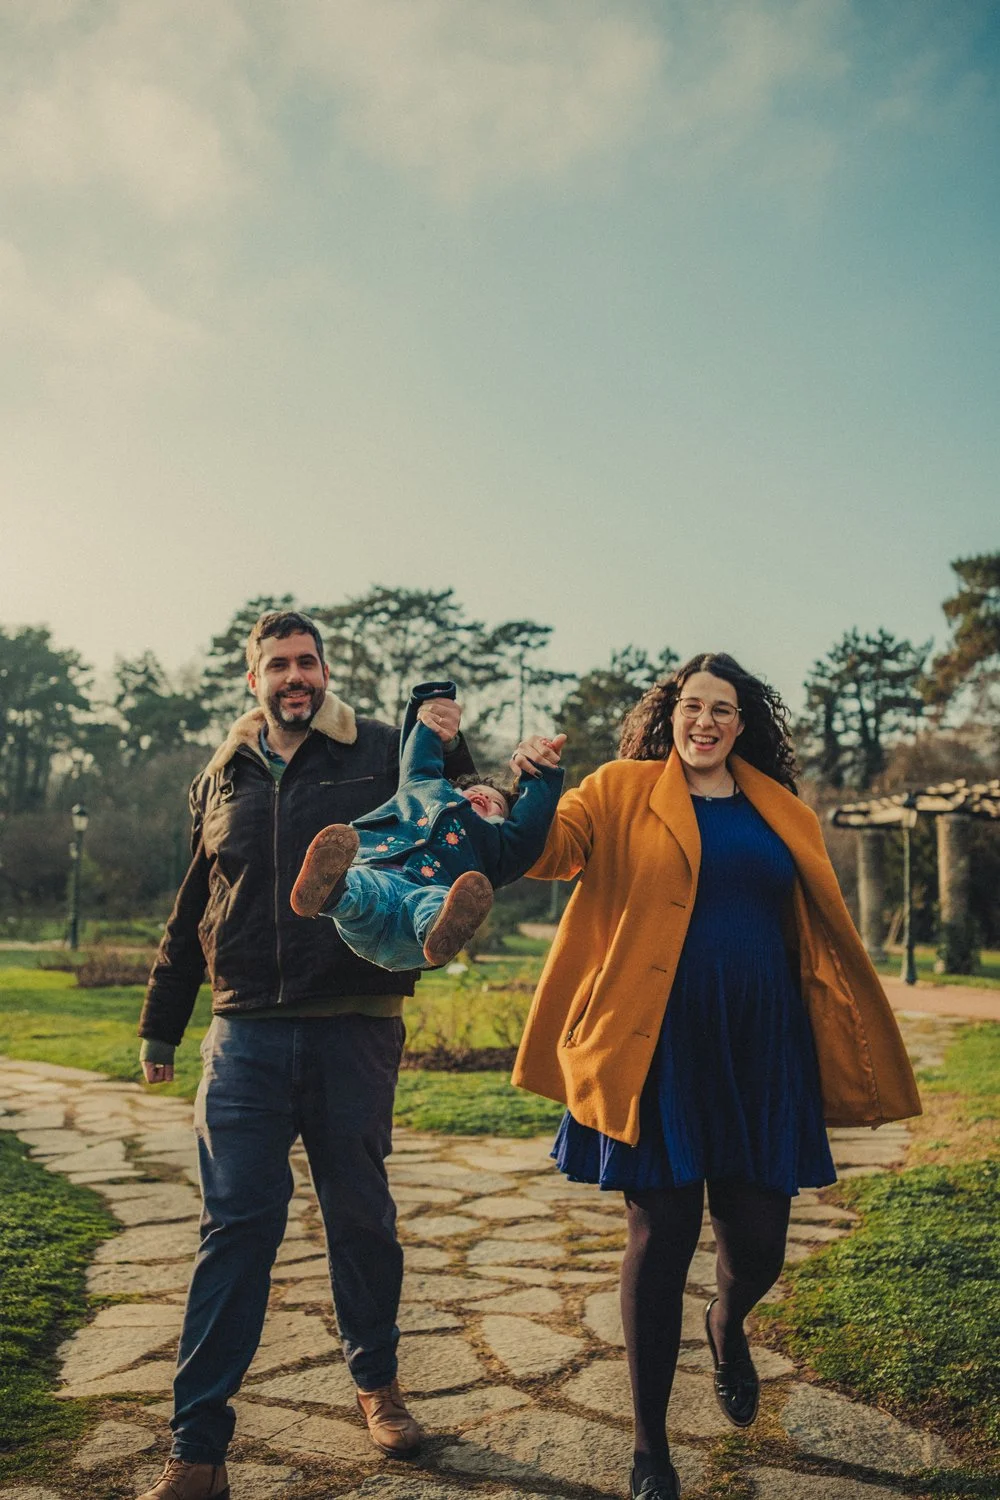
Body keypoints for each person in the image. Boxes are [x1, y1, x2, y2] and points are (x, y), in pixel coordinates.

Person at [508, 653, 921, 1500]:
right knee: (660, 1241)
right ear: (670, 716)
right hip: (658, 1047)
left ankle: (729, 1323)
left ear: (743, 724)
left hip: (763, 1049)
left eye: (722, 710)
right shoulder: (619, 790)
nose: (705, 722)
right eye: (691, 706)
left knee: (759, 1241)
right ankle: (650, 1451)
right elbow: (549, 853)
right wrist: (536, 787)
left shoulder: (780, 809)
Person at [135, 611, 476, 1500]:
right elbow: (192, 907)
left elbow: (443, 805)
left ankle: (377, 1384)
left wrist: (449, 735)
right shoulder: (222, 775)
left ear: (326, 671)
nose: (296, 676)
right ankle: (197, 1445)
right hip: (243, 1032)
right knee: (235, 1230)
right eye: (279, 665)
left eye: (308, 662)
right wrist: (161, 1025)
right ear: (254, 680)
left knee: (359, 1216)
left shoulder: (372, 748)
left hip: (353, 1024)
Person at [290, 679, 566, 969]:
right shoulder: (424, 787)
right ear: (457, 790)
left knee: (432, 902)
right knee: (363, 887)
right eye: (477, 793)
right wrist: (432, 712)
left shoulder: (501, 848)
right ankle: (330, 892)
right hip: (378, 880)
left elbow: (531, 827)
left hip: (419, 923)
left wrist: (541, 775)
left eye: (497, 805)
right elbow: (420, 757)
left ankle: (440, 927)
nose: (486, 798)